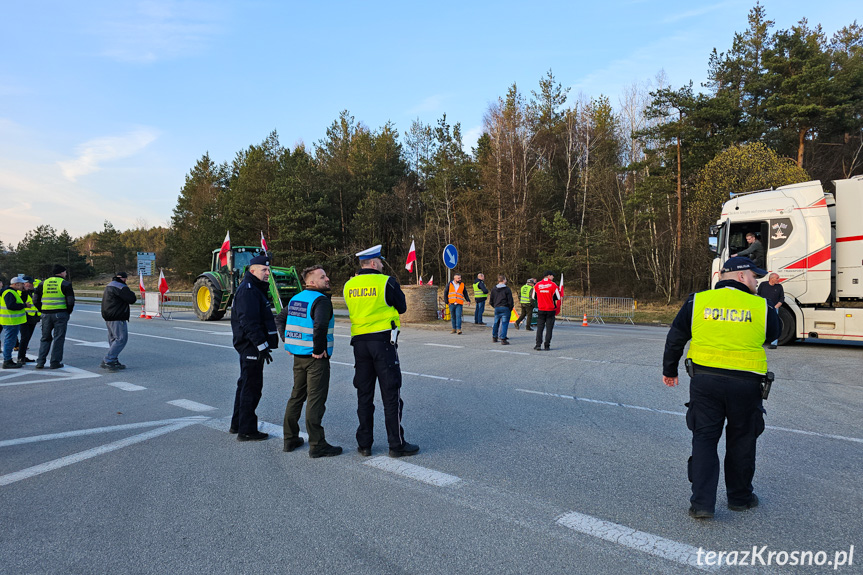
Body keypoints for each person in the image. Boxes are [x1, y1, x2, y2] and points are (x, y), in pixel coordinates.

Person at [662, 257, 780, 520]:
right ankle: (740, 498)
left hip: (705, 382)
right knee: (742, 439)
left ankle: (702, 504)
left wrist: (669, 370)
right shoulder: (762, 306)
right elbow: (773, 334)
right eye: (753, 277)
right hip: (746, 384)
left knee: (704, 438)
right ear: (739, 277)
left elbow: (676, 336)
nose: (756, 282)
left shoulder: (698, 301)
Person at [343, 244, 419, 458]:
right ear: (374, 263)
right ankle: (396, 444)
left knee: (364, 395)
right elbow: (402, 307)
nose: (383, 265)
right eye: (381, 262)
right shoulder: (386, 282)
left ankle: (364, 444)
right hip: (383, 343)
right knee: (391, 394)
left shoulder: (349, 285)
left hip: (359, 344)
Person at [276, 265, 342, 458]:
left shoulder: (296, 299)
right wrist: (319, 350)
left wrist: (288, 342)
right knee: (315, 400)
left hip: (298, 357)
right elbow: (320, 325)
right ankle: (317, 444)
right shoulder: (321, 300)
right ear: (311, 282)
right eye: (323, 277)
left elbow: (279, 318)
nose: (327, 279)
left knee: (297, 396)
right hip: (316, 360)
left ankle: (290, 439)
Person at [230, 253, 280, 442]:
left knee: (244, 385)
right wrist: (261, 345)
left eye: (268, 269)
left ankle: (237, 424)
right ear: (252, 270)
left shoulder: (254, 288)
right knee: (251, 388)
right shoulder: (249, 290)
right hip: (251, 347)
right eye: (264, 270)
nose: (268, 273)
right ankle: (247, 430)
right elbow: (249, 322)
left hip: (251, 346)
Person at [33, 264, 75, 369]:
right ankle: (55, 362)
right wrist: (67, 312)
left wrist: (41, 309)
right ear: (61, 273)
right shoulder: (65, 284)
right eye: (65, 272)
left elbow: (35, 299)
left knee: (45, 338)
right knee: (58, 339)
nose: (66, 274)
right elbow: (70, 301)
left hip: (46, 314)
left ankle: (40, 362)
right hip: (60, 314)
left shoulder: (43, 283)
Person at [100, 271, 137, 372]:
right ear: (124, 278)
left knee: (113, 339)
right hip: (117, 315)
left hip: (108, 315)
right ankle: (108, 360)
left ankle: (114, 359)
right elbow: (132, 299)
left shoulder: (109, 285)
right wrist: (132, 292)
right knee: (121, 339)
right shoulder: (120, 287)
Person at [1, 277, 27, 369]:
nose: (23, 285)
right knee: (9, 341)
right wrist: (24, 305)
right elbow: (11, 306)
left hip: (11, 320)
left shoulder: (11, 291)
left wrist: (24, 291)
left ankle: (8, 360)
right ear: (16, 284)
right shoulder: (9, 292)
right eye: (22, 284)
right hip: (10, 321)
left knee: (10, 340)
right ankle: (7, 361)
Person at [16, 276, 40, 364]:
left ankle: (22, 356)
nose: (30, 284)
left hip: (32, 318)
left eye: (31, 283)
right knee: (24, 338)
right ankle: (20, 358)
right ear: (23, 284)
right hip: (24, 318)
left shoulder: (33, 292)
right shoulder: (19, 293)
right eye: (28, 283)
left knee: (27, 338)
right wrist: (24, 291)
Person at [533, 272, 560, 351]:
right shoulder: (553, 285)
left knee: (540, 328)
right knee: (549, 329)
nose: (553, 277)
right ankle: (547, 345)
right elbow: (558, 297)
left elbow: (534, 296)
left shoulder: (537, 285)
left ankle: (538, 345)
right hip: (550, 310)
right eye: (552, 276)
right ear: (548, 276)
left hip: (541, 309)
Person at [757, 273, 785, 349]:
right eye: (777, 278)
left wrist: (775, 307)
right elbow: (758, 295)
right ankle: (760, 342)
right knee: (762, 325)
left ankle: (774, 343)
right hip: (764, 308)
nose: (779, 279)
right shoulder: (763, 285)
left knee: (775, 325)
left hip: (774, 308)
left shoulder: (779, 287)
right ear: (771, 278)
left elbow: (782, 298)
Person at [488, 275, 514, 345]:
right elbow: (510, 300)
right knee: (504, 324)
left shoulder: (494, 289)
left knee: (496, 323)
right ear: (503, 280)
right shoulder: (507, 289)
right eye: (505, 280)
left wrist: (495, 306)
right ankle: (503, 338)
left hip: (497, 307)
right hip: (505, 307)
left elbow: (491, 301)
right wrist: (510, 308)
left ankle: (494, 337)